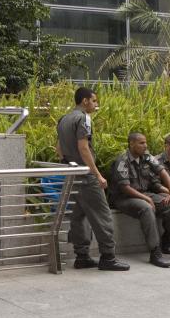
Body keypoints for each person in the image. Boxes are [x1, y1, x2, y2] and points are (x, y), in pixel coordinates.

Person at [55, 87, 129, 271]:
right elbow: (84, 147)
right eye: (94, 101)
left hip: (71, 175)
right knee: (102, 215)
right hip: (86, 176)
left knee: (78, 216)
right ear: (85, 101)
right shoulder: (84, 118)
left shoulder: (63, 119)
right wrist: (97, 174)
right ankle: (108, 257)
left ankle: (82, 256)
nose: (96, 105)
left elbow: (59, 149)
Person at [108, 133, 170, 268]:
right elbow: (125, 188)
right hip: (125, 198)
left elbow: (162, 172)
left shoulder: (146, 157)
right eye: (141, 143)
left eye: (145, 142)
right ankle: (155, 252)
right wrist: (146, 198)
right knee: (146, 208)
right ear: (131, 144)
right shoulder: (122, 161)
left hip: (145, 194)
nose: (145, 145)